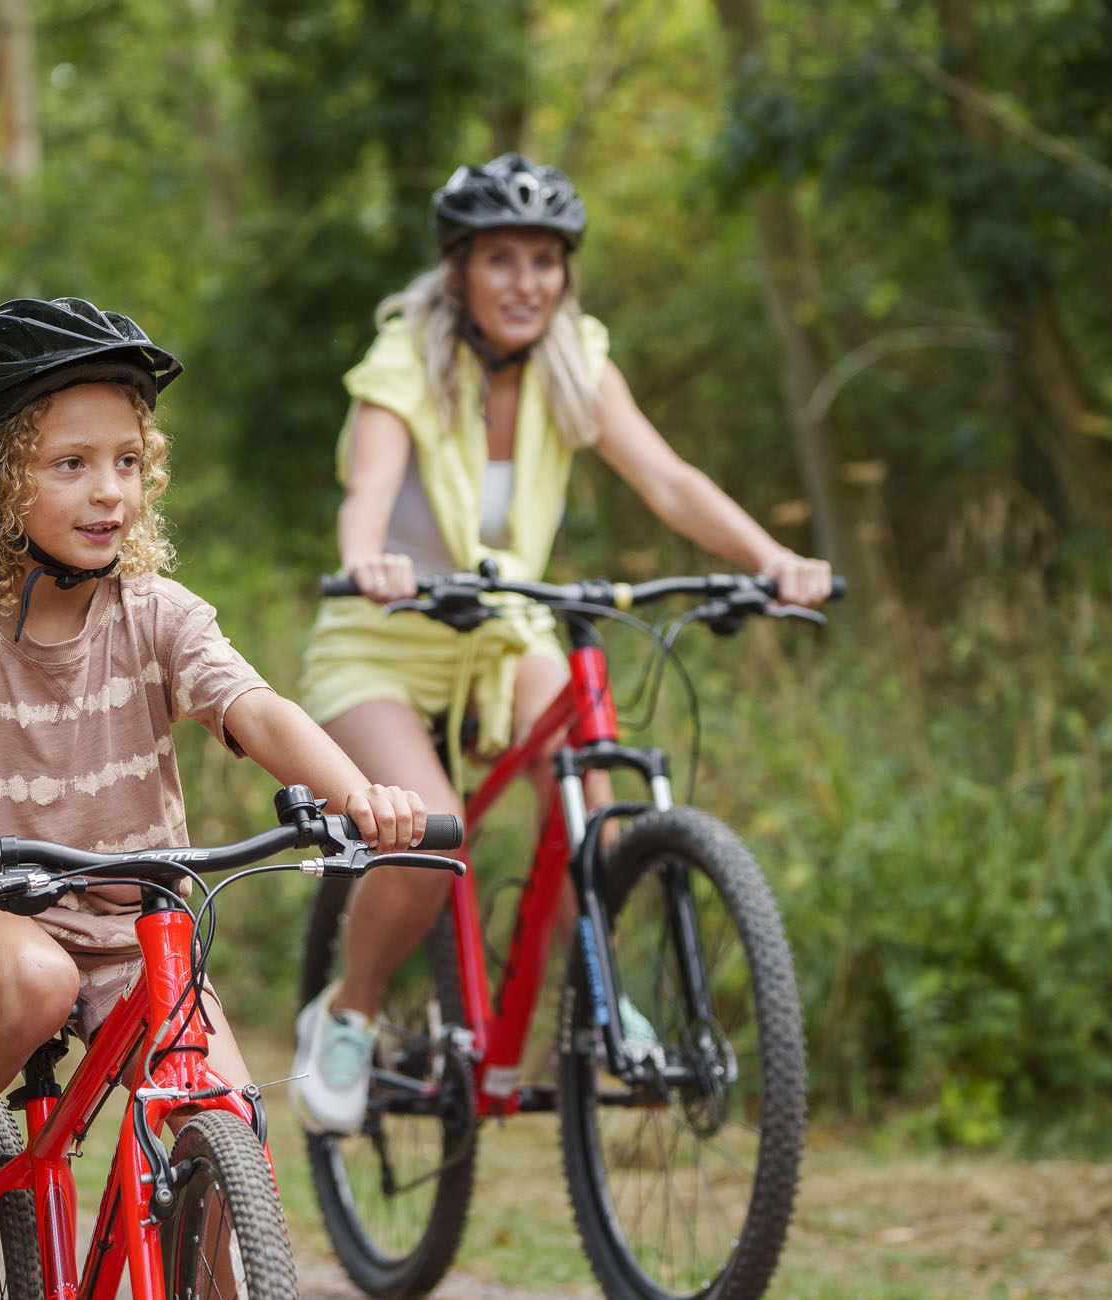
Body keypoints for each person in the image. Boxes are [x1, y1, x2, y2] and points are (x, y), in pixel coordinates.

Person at [0, 297, 427, 1300]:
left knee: (227, 1126)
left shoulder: (155, 615)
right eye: (68, 464)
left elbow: (257, 711)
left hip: (133, 917)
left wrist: (360, 792)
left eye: (124, 460)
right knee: (32, 984)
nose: (106, 490)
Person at [289, 153, 836, 1135]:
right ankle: (348, 1010)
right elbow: (364, 489)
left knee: (599, 801)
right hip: (381, 637)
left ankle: (589, 1000)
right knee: (424, 836)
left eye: (543, 261)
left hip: (499, 633)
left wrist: (769, 557)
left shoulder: (573, 360)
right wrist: (365, 558)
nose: (524, 282)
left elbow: (665, 480)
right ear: (457, 268)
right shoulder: (401, 362)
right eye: (499, 258)